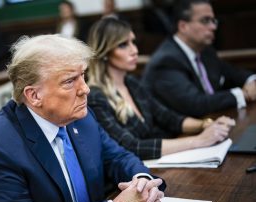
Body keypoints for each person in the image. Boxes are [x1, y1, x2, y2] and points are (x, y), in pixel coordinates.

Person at [0, 34, 166, 202]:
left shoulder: (79, 117)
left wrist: (143, 182)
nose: (85, 89)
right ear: (34, 96)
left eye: (83, 75)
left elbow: (118, 157)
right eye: (69, 81)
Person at [87, 17, 234, 160]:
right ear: (105, 53)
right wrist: (198, 141)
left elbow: (168, 118)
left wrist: (207, 124)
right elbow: (132, 147)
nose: (134, 50)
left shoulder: (131, 83)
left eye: (133, 42)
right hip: (134, 178)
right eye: (123, 45)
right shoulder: (95, 96)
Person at [141, 0, 256, 117]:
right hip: (181, 132)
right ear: (183, 26)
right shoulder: (166, 60)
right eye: (205, 21)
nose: (213, 27)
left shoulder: (205, 50)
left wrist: (252, 81)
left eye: (213, 21)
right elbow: (195, 104)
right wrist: (243, 94)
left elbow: (233, 72)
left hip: (213, 121)